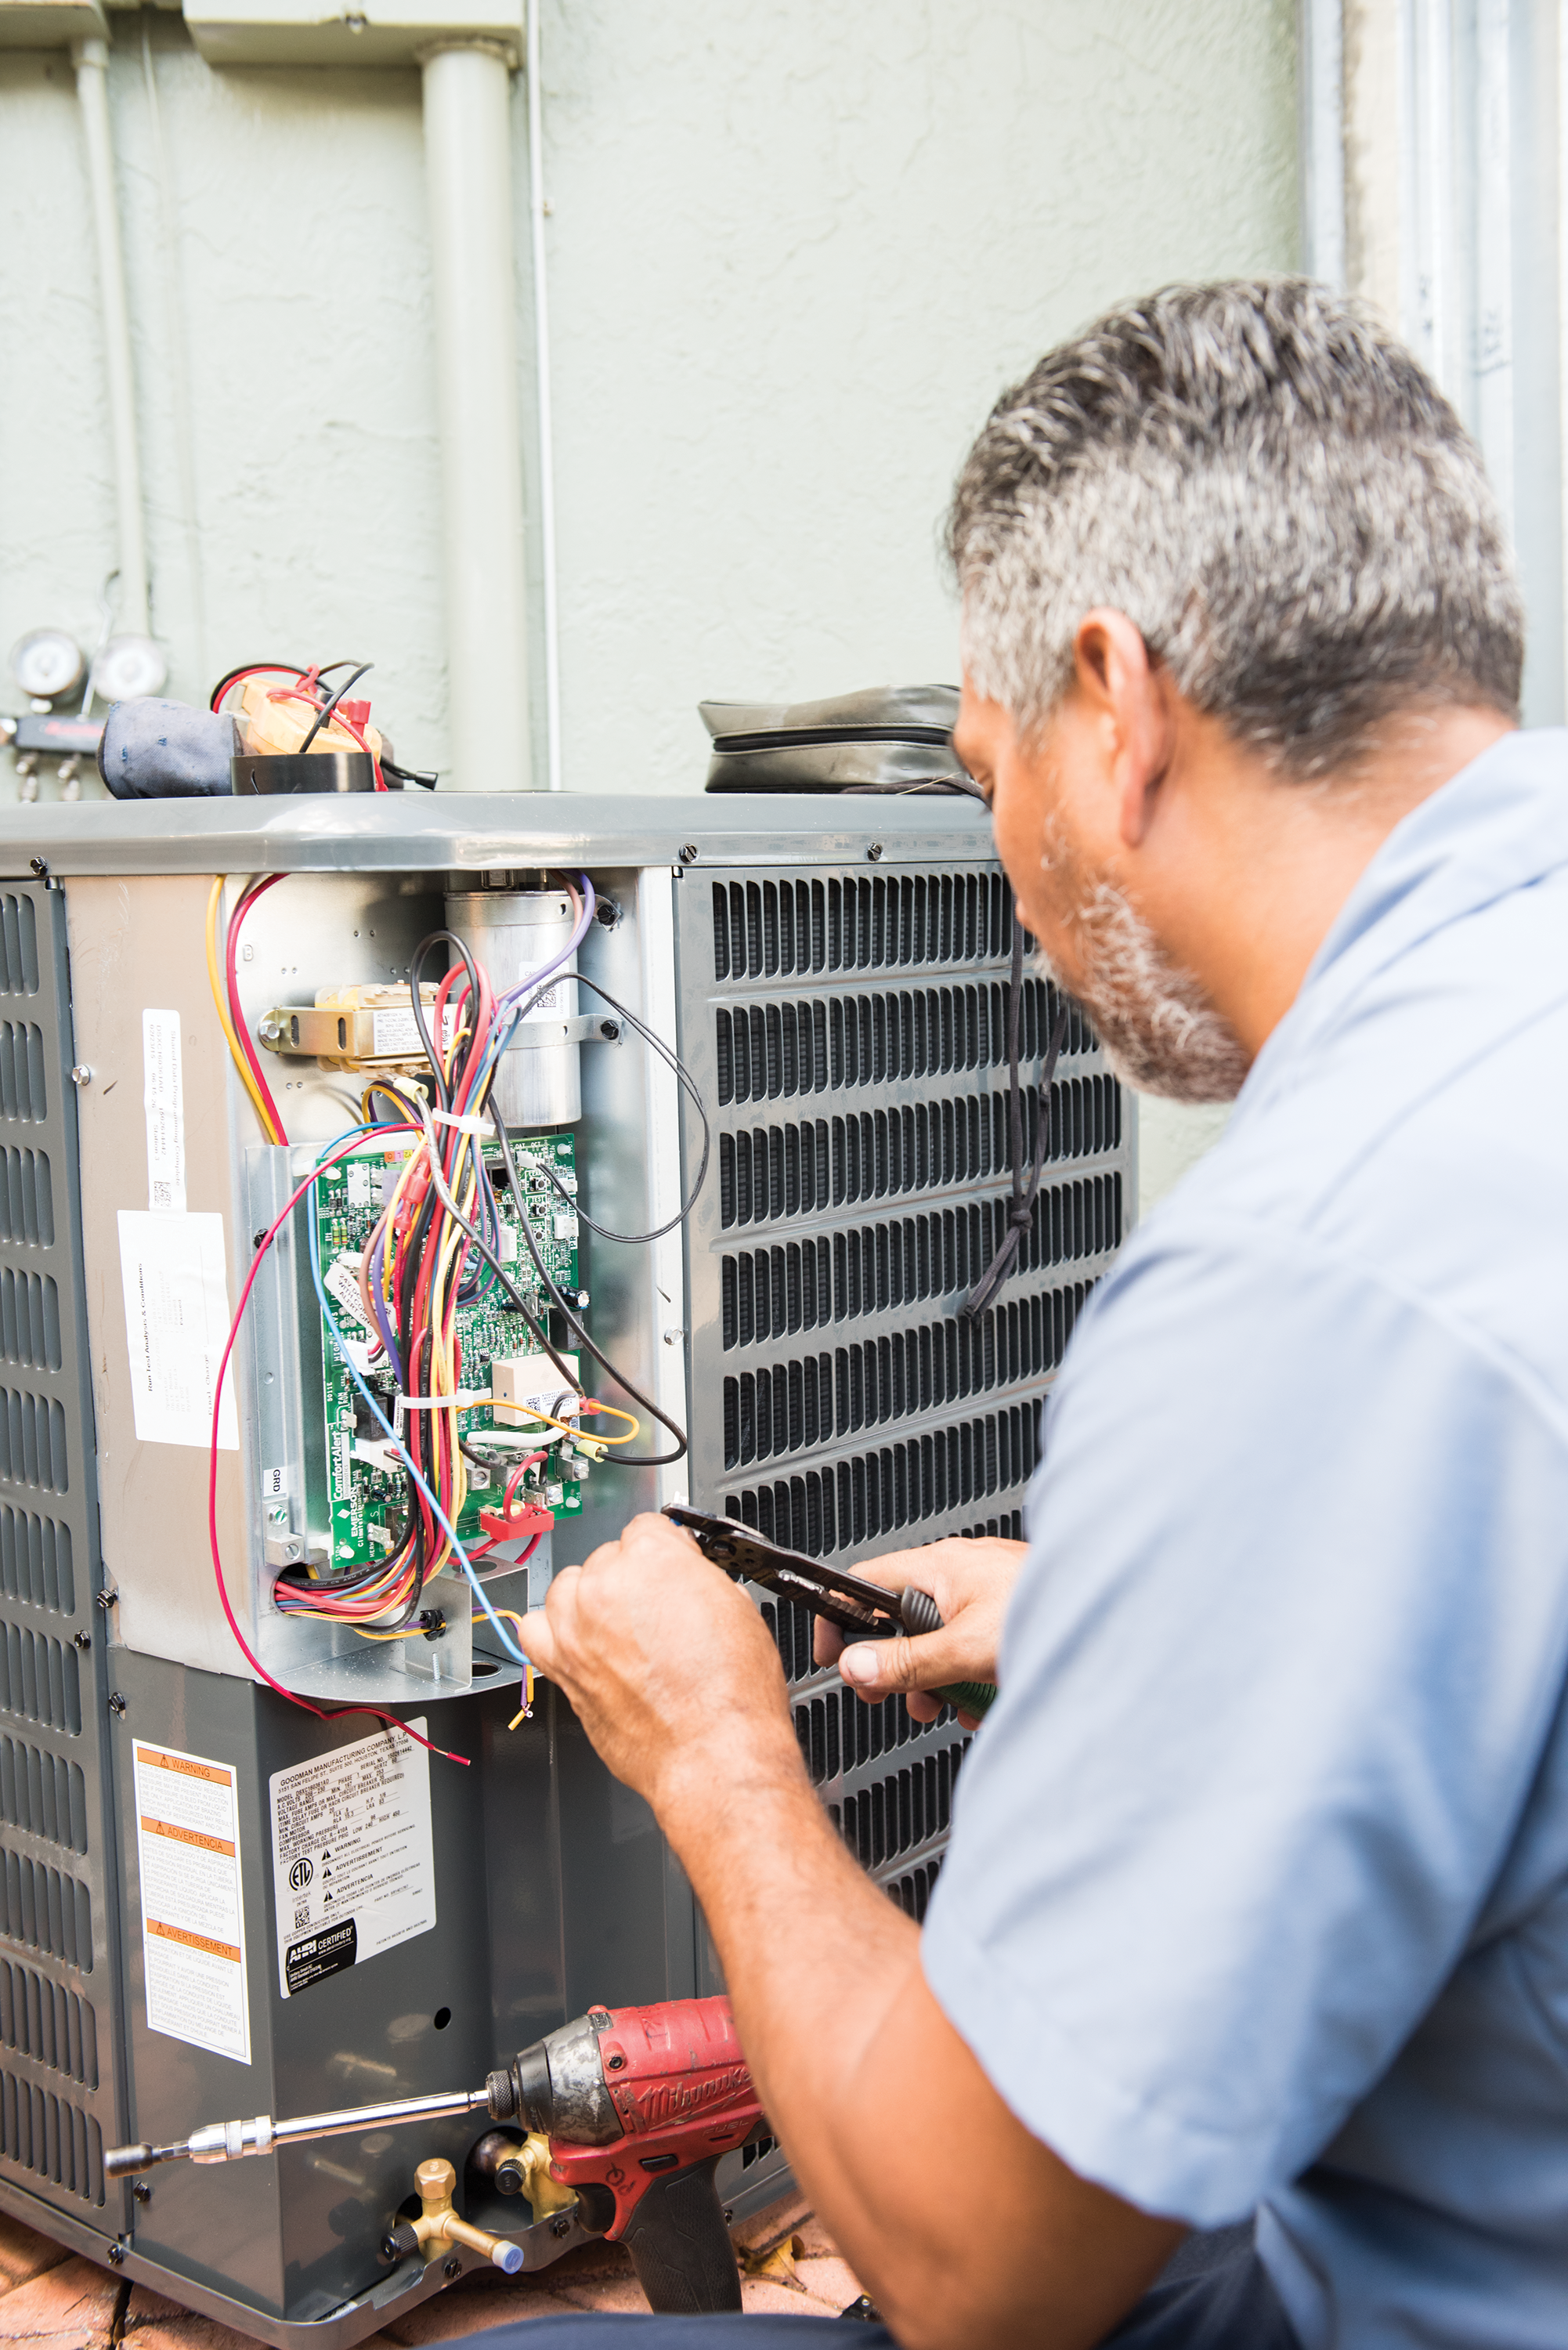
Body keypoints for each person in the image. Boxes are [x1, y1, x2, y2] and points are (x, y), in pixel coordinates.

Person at [503, 280, 1568, 2350]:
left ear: (1115, 704)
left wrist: (723, 1759)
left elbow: (990, 2278)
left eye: (991, 775)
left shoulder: (1303, 1270)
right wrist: (1129, 1623)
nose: (1008, 867)